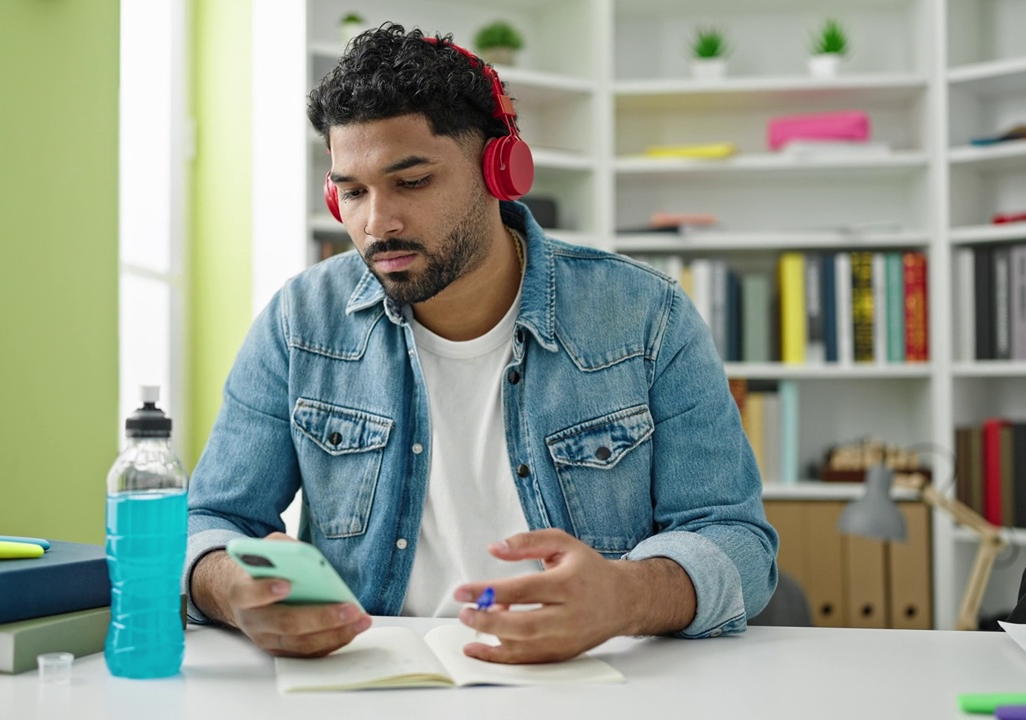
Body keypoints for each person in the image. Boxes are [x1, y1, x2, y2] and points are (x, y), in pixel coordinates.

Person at [185, 23, 777, 665]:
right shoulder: (299, 322)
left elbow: (737, 541)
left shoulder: (645, 317)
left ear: (500, 170)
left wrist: (624, 598)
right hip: (370, 686)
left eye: (411, 181)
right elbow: (208, 523)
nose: (376, 223)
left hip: (594, 684)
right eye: (352, 192)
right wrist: (229, 586)